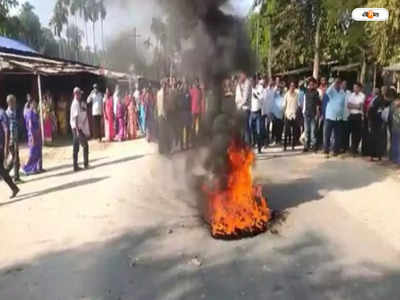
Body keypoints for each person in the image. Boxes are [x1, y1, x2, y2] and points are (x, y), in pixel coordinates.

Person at [368, 87, 394, 161]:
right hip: (376, 121)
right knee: (376, 138)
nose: (384, 92)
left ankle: (378, 155)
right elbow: (371, 109)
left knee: (379, 139)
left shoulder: (384, 100)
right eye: (383, 90)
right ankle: (375, 155)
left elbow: (372, 109)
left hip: (379, 121)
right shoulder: (379, 99)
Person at [0, 107, 19, 199]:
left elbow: (6, 130)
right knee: (2, 171)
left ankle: (14, 187)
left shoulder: (1, 113)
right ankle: (14, 188)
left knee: (2, 171)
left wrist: (5, 147)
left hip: (0, 146)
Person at [324, 78, 346, 158]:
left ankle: (335, 151)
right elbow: (327, 92)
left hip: (338, 117)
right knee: (327, 135)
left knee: (337, 135)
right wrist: (333, 83)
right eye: (336, 83)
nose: (338, 85)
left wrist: (342, 115)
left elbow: (343, 105)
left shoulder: (342, 93)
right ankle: (326, 150)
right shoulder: (331, 91)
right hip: (330, 116)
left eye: (339, 83)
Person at [70, 87, 90, 171]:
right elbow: (76, 117)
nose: (81, 95)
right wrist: (78, 130)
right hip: (76, 128)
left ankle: (78, 165)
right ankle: (79, 165)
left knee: (79, 146)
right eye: (79, 94)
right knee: (81, 146)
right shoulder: (75, 103)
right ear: (76, 94)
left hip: (77, 127)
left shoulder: (77, 103)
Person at [22, 100, 44, 175]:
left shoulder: (34, 112)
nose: (35, 104)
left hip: (37, 135)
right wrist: (33, 137)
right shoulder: (29, 113)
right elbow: (30, 127)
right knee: (32, 153)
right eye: (33, 103)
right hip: (33, 136)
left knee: (37, 152)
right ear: (30, 104)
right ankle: (26, 168)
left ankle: (34, 168)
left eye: (35, 103)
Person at [5, 95, 21, 183]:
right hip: (11, 139)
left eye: (15, 101)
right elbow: (8, 129)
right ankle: (12, 175)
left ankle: (14, 175)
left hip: (15, 137)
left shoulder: (14, 111)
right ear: (9, 102)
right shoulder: (7, 113)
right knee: (15, 158)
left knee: (15, 157)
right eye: (13, 101)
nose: (15, 103)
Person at [347, 82, 366, 156]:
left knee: (357, 134)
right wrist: (355, 106)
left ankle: (354, 148)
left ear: (359, 88)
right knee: (351, 133)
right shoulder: (351, 95)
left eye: (356, 87)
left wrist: (353, 105)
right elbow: (348, 105)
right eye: (354, 87)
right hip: (351, 115)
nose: (354, 89)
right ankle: (352, 149)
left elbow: (360, 107)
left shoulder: (362, 95)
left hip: (358, 116)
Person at [303, 78, 320, 152]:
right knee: (307, 130)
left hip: (313, 114)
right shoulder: (306, 91)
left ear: (314, 85)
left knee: (313, 131)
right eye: (310, 84)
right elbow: (300, 85)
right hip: (306, 113)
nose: (311, 85)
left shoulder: (316, 92)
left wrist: (317, 113)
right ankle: (306, 146)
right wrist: (306, 80)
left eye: (312, 84)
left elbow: (318, 104)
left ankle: (313, 146)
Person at [235, 72, 251, 145]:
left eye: (241, 75)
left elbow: (245, 99)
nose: (240, 77)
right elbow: (236, 98)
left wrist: (239, 104)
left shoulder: (247, 83)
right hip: (240, 109)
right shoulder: (239, 85)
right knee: (241, 129)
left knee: (245, 129)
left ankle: (247, 147)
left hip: (245, 109)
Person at [283, 81, 299, 151]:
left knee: (294, 132)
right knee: (286, 131)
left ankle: (292, 145)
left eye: (293, 86)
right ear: (289, 87)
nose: (292, 87)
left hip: (294, 115)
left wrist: (297, 112)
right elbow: (284, 105)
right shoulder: (286, 95)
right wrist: (285, 114)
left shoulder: (296, 95)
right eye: (291, 86)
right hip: (288, 115)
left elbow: (298, 104)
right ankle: (285, 146)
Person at [249, 77, 263, 153]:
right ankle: (252, 144)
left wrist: (256, 95)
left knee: (259, 131)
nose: (252, 83)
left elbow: (262, 98)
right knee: (250, 130)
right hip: (251, 112)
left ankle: (259, 148)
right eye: (251, 82)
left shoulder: (260, 88)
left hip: (258, 112)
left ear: (255, 81)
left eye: (253, 81)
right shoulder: (249, 90)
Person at [261, 78, 275, 147]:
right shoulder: (263, 91)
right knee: (263, 127)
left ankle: (266, 142)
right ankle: (264, 142)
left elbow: (271, 102)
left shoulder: (271, 91)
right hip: (263, 111)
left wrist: (271, 111)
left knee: (267, 126)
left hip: (269, 111)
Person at [157, 79, 169, 154]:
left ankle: (161, 149)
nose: (165, 86)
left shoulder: (159, 92)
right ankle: (162, 149)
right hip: (162, 115)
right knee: (162, 132)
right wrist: (164, 114)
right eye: (165, 84)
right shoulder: (162, 93)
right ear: (162, 85)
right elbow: (161, 105)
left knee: (162, 132)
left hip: (160, 114)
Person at [340, 81, 351, 153]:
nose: (344, 85)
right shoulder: (338, 92)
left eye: (345, 84)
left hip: (347, 115)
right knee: (340, 132)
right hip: (339, 115)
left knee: (346, 132)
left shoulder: (349, 93)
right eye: (343, 84)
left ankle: (346, 146)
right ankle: (340, 146)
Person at [389, 97, 400, 165]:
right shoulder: (395, 110)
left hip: (396, 129)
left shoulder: (395, 110)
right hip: (396, 129)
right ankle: (396, 159)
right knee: (396, 144)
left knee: (396, 144)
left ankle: (396, 159)